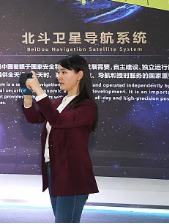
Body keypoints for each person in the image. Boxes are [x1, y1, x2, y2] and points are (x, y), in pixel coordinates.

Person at [22, 55, 99, 223]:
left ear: (79, 75)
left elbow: (58, 121)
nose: (59, 77)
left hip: (72, 174)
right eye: (58, 72)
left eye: (64, 72)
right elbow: (34, 117)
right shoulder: (59, 102)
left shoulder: (87, 106)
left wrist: (39, 90)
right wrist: (28, 95)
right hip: (55, 171)